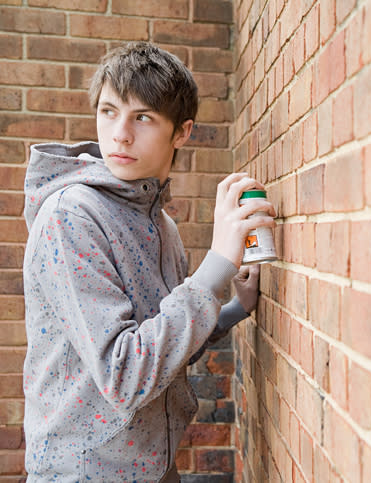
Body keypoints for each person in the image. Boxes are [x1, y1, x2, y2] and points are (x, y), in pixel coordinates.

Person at [21, 41, 275, 482]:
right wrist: (215, 265)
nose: (119, 133)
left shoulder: (162, 226)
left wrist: (236, 307)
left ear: (181, 132)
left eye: (142, 117)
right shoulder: (71, 216)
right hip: (85, 473)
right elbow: (125, 374)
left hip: (153, 467)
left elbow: (166, 345)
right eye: (108, 111)